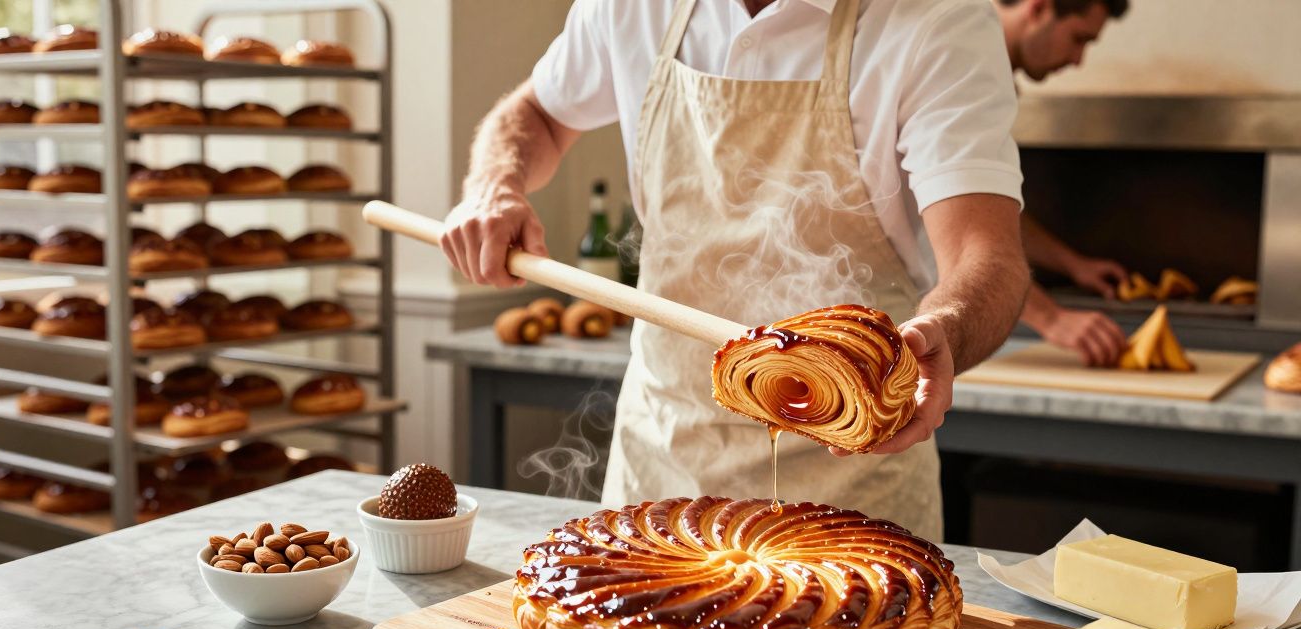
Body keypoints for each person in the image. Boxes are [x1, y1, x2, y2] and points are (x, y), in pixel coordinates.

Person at [440, 0, 1031, 540]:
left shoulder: (938, 20)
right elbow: (538, 113)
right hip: (659, 474)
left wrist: (945, 330)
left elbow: (989, 257)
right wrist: (494, 184)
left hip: (852, 502)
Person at [997, 0, 1132, 366]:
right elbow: (945, 222)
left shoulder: (991, 78)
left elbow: (989, 209)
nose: (1078, 60)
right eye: (1078, 38)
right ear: (1039, 8)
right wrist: (1050, 317)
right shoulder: (960, 67)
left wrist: (1074, 265)